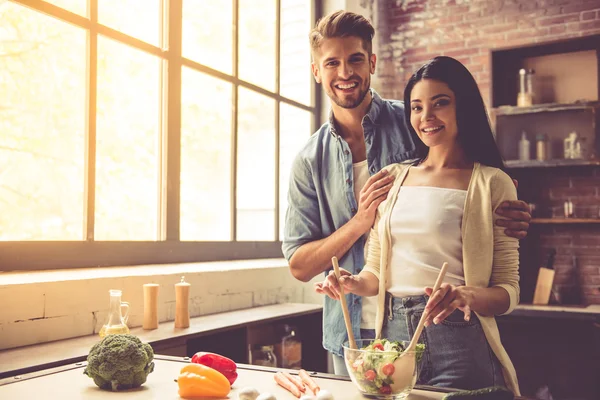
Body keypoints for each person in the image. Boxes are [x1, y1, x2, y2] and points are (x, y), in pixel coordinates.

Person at [282, 10, 531, 377]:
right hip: (350, 329)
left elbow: (473, 180)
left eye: (355, 60)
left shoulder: (416, 119)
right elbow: (300, 265)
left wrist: (514, 211)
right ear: (317, 71)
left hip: (441, 326)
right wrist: (360, 223)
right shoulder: (309, 160)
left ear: (372, 62)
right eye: (331, 62)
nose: (345, 73)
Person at [317, 56, 521, 395]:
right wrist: (353, 282)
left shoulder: (493, 183)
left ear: (463, 107)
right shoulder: (392, 179)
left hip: (459, 339)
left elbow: (508, 292)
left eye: (440, 103)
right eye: (416, 107)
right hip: (393, 342)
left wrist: (465, 295)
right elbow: (376, 275)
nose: (426, 117)